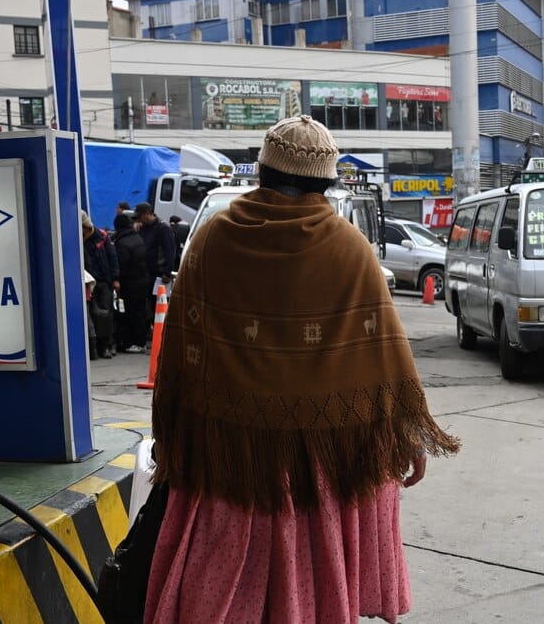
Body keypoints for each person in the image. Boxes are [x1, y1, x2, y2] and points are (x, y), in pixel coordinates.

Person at [145, 115, 460, 623]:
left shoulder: (213, 239)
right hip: (320, 474)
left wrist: (170, 438)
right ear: (327, 183)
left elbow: (181, 352)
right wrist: (403, 438)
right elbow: (381, 354)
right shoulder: (349, 248)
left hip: (228, 465)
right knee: (311, 597)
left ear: (262, 175)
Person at [134, 202, 177, 346]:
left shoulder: (163, 228)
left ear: (147, 214)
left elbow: (169, 251)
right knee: (150, 307)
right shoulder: (144, 229)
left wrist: (167, 271)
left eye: (140, 217)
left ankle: (163, 336)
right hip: (146, 273)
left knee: (159, 306)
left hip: (159, 275)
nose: (139, 220)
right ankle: (155, 334)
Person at [81, 210, 119, 360]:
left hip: (103, 281)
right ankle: (96, 347)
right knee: (94, 315)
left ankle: (107, 345)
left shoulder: (101, 237)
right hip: (89, 283)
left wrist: (115, 278)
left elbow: (113, 258)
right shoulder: (78, 239)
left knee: (106, 314)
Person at [113, 212, 150, 354]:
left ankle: (135, 342)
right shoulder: (137, 238)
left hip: (130, 283)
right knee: (140, 312)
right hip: (142, 280)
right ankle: (140, 341)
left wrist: (116, 279)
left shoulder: (122, 243)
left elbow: (121, 265)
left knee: (131, 313)